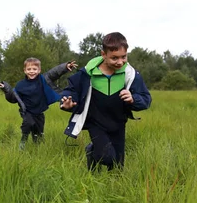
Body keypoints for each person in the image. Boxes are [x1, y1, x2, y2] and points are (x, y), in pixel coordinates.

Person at [59, 32, 151, 170]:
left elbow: (146, 98)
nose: (120, 62)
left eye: (123, 57)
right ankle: (92, 151)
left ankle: (112, 187)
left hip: (118, 123)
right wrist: (67, 104)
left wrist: (133, 99)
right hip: (95, 123)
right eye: (114, 58)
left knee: (117, 166)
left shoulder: (130, 74)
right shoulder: (88, 73)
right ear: (103, 54)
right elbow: (71, 91)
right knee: (107, 157)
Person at [0, 58, 77, 149]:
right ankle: (23, 140)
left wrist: (65, 67)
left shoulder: (43, 80)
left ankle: (38, 146)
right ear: (25, 70)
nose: (32, 71)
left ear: (39, 70)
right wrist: (6, 89)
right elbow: (13, 98)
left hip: (39, 111)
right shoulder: (20, 85)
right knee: (28, 123)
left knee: (39, 132)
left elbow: (54, 73)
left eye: (34, 69)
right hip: (27, 111)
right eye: (29, 69)